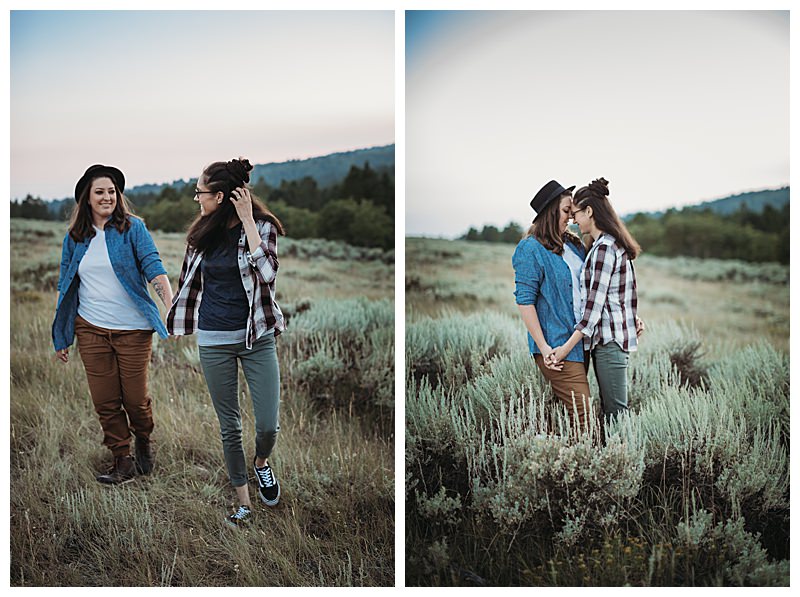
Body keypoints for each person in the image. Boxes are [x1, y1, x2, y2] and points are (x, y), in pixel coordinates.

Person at [167, 157, 285, 528]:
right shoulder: (200, 235)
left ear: (219, 195)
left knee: (267, 424)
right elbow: (188, 283)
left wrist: (248, 219)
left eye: (200, 192)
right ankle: (244, 503)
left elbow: (266, 274)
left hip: (256, 338)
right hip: (214, 340)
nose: (196, 198)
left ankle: (262, 463)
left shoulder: (262, 227)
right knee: (229, 426)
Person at [52, 164, 173, 484]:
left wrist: (169, 303)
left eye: (111, 191)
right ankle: (122, 459)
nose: (107, 197)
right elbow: (66, 284)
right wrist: (62, 334)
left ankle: (143, 438)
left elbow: (153, 265)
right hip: (90, 328)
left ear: (118, 196)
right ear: (87, 199)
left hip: (133, 330)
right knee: (105, 401)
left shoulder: (133, 228)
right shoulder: (76, 237)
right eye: (99, 192)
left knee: (135, 400)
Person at [549, 177, 641, 424]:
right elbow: (619, 295)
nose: (573, 220)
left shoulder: (603, 250)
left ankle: (621, 460)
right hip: (607, 341)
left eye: (576, 213)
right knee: (612, 412)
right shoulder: (606, 245)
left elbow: (593, 312)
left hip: (608, 342)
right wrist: (633, 320)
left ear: (589, 211)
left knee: (616, 415)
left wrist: (564, 350)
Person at [512, 180, 593, 434]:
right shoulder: (530, 248)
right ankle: (585, 468)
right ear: (550, 212)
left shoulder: (574, 245)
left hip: (582, 343)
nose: (570, 217)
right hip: (557, 349)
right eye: (566, 210)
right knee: (585, 421)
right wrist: (545, 347)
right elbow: (525, 301)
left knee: (571, 417)